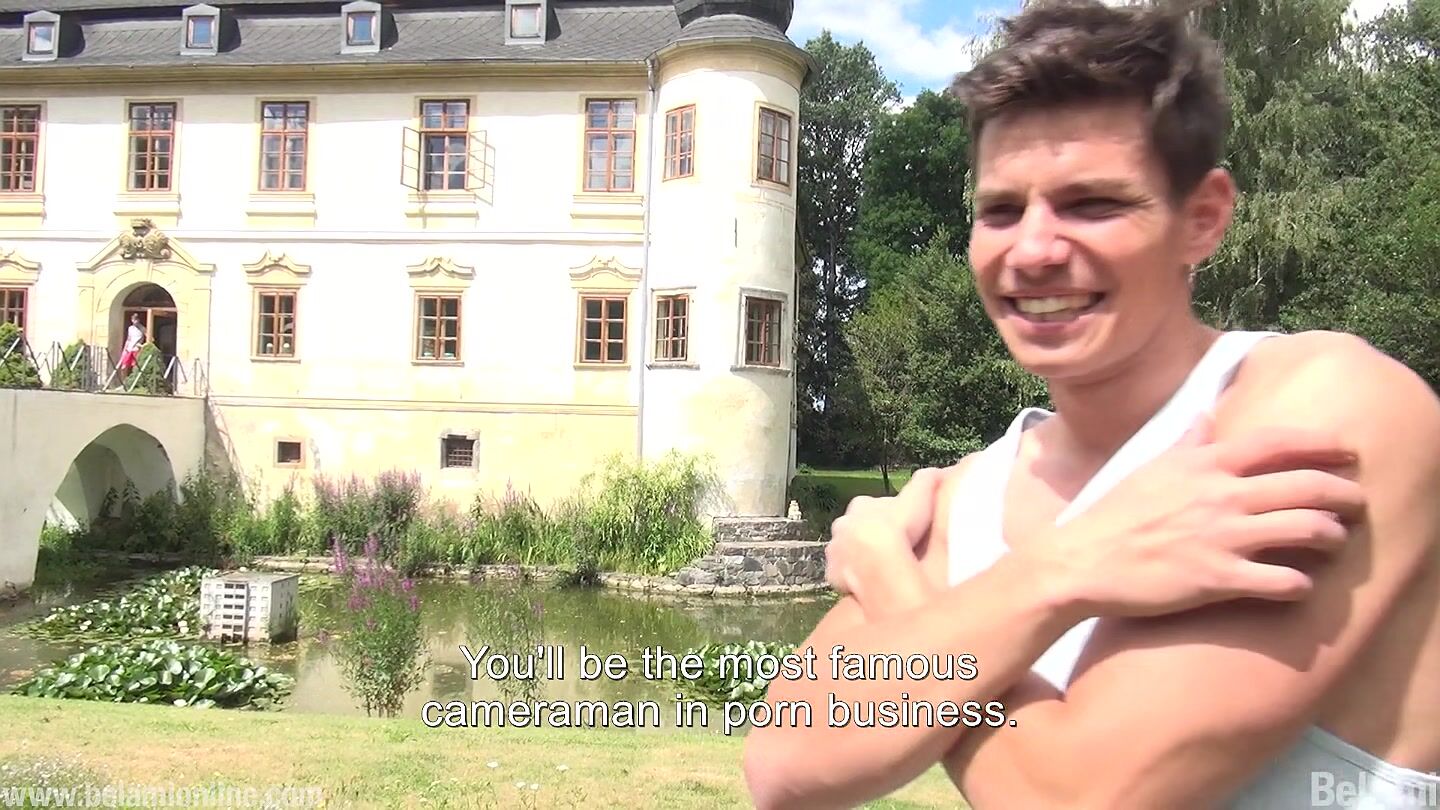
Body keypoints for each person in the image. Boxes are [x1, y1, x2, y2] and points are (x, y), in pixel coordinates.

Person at [741, 1, 1440, 808]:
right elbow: (785, 762)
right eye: (1001, 211)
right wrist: (1066, 572)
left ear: (1203, 219)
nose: (1033, 250)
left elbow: (1075, 794)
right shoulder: (965, 497)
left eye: (1093, 204)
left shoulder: (1332, 409)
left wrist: (899, 587)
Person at [118, 312, 145, 385]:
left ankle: (134, 383)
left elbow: (150, 338)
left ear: (138, 320)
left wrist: (142, 345)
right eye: (133, 319)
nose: (134, 321)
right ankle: (124, 382)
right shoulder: (130, 328)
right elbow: (128, 339)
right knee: (124, 366)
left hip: (136, 349)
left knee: (135, 366)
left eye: (135, 319)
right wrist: (125, 348)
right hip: (129, 349)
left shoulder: (142, 329)